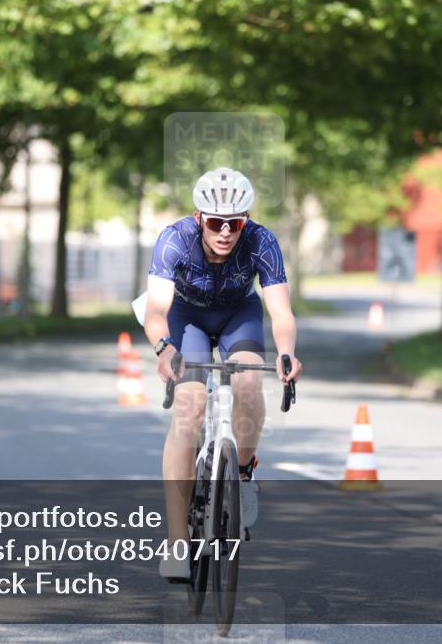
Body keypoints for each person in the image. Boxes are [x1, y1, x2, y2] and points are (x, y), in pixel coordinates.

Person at [142, 167, 303, 581]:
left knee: (250, 382)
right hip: (187, 317)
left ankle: (244, 471)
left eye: (236, 222)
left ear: (246, 220)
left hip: (238, 313)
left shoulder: (262, 241)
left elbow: (280, 310)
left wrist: (286, 352)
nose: (227, 231)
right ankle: (178, 540)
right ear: (199, 218)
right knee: (190, 408)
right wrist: (165, 349)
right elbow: (157, 310)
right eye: (216, 222)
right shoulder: (174, 239)